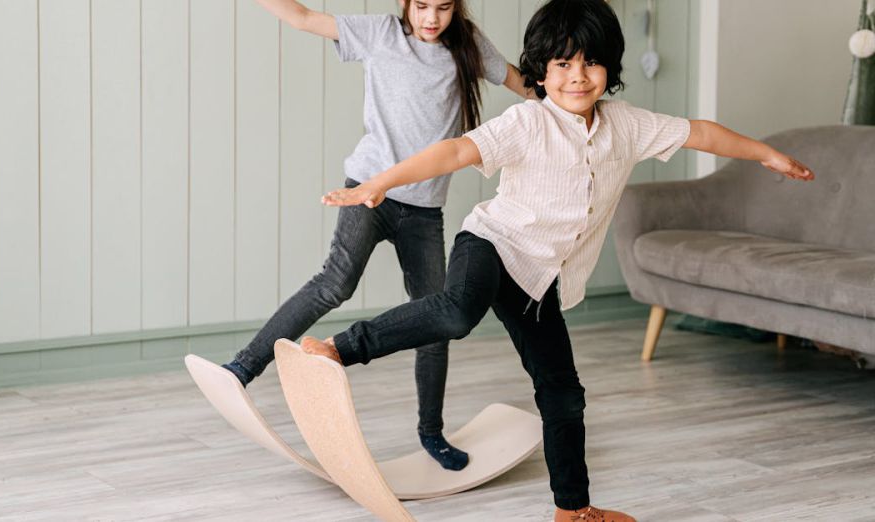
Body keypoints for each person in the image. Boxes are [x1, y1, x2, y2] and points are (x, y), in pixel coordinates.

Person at [300, 0, 814, 519]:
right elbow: (455, 152)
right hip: (492, 245)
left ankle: (573, 511)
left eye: (590, 63)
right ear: (541, 71)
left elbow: (699, 132)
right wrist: (379, 183)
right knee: (457, 313)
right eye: (563, 64)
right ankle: (337, 349)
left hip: (540, 278)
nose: (577, 77)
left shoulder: (628, 126)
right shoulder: (526, 122)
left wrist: (766, 154)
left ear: (609, 69)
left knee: (564, 394)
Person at [219, 0, 537, 471]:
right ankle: (243, 367)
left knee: (437, 317)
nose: (432, 18)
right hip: (368, 191)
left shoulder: (468, 45)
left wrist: (579, 103)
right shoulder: (381, 33)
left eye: (443, 7)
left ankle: (432, 431)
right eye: (422, 6)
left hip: (424, 210)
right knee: (335, 283)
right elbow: (305, 18)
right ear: (406, 4)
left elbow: (524, 85)